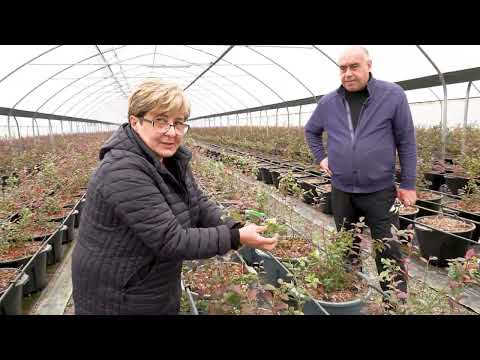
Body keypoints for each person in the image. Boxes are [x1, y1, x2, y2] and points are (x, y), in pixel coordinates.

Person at [72, 80, 278, 315]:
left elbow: (197, 202)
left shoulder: (169, 159)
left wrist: (235, 226)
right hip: (119, 295)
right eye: (160, 121)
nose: (171, 132)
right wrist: (236, 237)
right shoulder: (122, 170)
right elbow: (171, 240)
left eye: (178, 123)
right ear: (135, 122)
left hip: (150, 283)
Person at [304, 47, 417, 296]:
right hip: (342, 190)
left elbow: (406, 141)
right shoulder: (329, 102)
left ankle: (395, 303)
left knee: (388, 249)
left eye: (354, 67)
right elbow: (311, 131)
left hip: (381, 192)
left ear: (369, 65)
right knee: (347, 249)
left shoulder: (392, 95)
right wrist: (321, 157)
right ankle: (353, 296)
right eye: (342, 68)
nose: (347, 73)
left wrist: (408, 183)